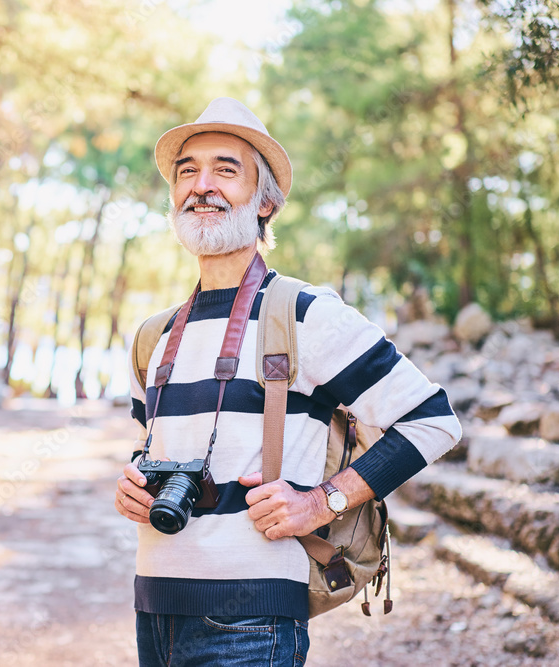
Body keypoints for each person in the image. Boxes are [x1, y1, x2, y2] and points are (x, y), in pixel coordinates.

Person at [114, 97, 462, 666]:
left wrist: (320, 502)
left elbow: (431, 419)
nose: (202, 185)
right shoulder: (154, 337)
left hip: (253, 619)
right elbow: (152, 444)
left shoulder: (305, 313)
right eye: (187, 171)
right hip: (154, 605)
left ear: (266, 199)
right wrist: (132, 483)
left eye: (226, 169)